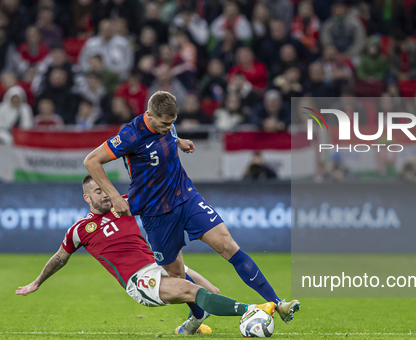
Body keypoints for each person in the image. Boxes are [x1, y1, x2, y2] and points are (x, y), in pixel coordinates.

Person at [83, 91, 300, 327]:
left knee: (227, 245)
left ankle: (278, 304)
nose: (169, 127)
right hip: (156, 213)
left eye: (172, 123)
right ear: (150, 115)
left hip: (185, 197)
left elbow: (165, 136)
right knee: (176, 275)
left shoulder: (168, 125)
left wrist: (178, 141)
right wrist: (115, 196)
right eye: (165, 124)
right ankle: (197, 317)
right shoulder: (131, 134)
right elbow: (91, 160)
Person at [15, 175, 276, 335]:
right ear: (86, 197)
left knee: (213, 293)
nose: (105, 194)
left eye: (106, 188)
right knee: (193, 291)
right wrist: (37, 282)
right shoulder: (80, 230)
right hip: (139, 281)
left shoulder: (124, 205)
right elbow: (60, 257)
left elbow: (155, 189)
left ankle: (191, 325)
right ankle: (251, 310)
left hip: (158, 265)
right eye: (97, 191)